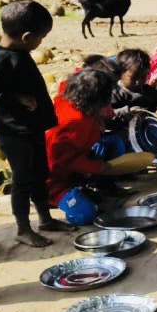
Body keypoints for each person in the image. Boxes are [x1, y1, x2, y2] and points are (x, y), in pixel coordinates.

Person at [0, 1, 69, 246]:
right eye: (41, 38)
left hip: (31, 127)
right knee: (23, 180)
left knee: (40, 174)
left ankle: (45, 219)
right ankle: (23, 229)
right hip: (14, 132)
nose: (41, 43)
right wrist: (17, 98)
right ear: (26, 37)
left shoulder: (19, 52)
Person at [46, 68, 117, 225]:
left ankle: (82, 189)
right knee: (86, 214)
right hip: (52, 181)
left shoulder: (67, 100)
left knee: (110, 144)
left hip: (68, 166)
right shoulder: (76, 122)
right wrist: (97, 167)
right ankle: (57, 200)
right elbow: (64, 160)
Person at [111, 49, 157, 116]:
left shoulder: (148, 91)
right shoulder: (115, 94)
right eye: (134, 77)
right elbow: (108, 114)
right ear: (120, 73)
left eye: (143, 77)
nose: (138, 82)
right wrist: (127, 110)